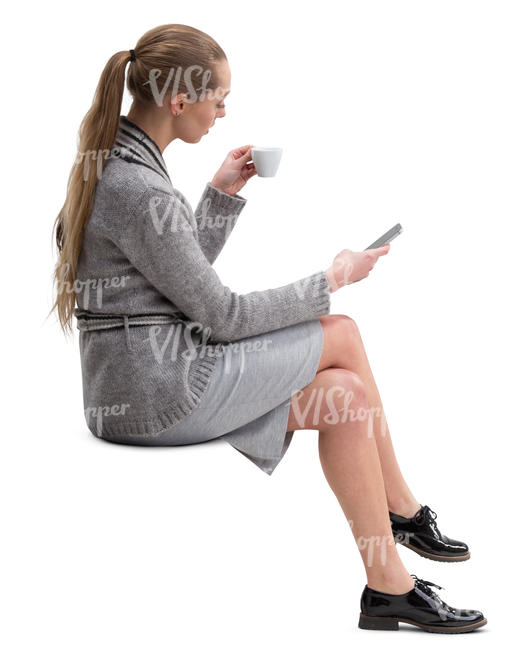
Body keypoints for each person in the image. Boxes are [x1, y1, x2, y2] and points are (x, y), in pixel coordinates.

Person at [51, 23, 487, 634]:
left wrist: (221, 196)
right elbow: (220, 316)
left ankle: (388, 585)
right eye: (218, 98)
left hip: (135, 386)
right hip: (156, 393)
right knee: (341, 328)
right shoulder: (139, 186)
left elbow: (170, 279)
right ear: (180, 101)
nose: (223, 113)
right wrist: (331, 275)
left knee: (346, 397)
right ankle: (405, 512)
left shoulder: (122, 166)